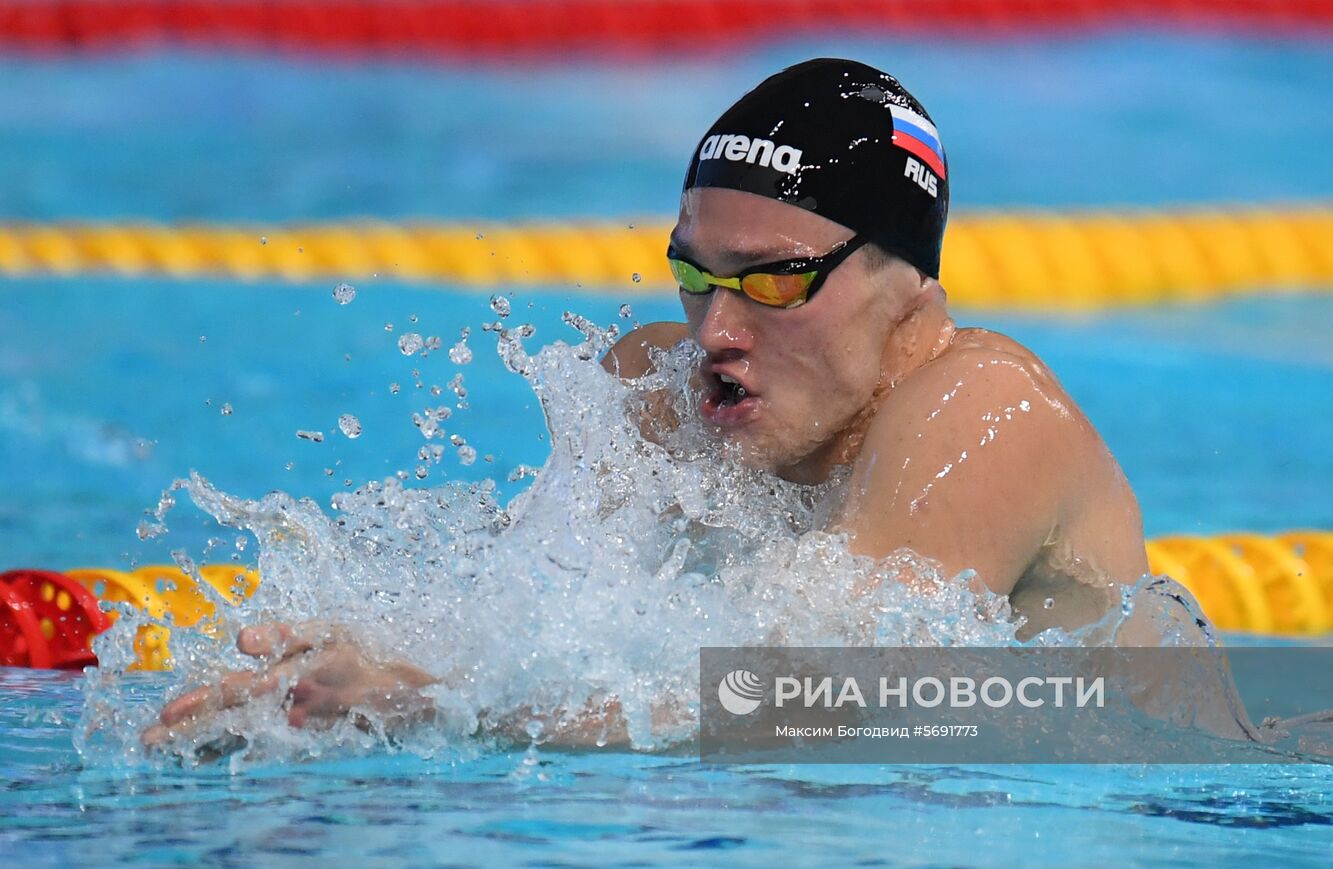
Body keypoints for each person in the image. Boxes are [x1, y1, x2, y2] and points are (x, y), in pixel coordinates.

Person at [142, 58, 1151, 751]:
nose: (714, 330)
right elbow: (532, 611)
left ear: (906, 286)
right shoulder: (664, 390)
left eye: (770, 279)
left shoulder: (984, 411)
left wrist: (437, 702)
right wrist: (338, 681)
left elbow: (802, 700)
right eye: (693, 273)